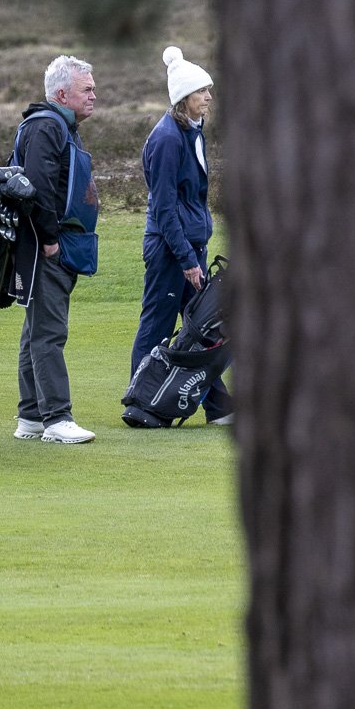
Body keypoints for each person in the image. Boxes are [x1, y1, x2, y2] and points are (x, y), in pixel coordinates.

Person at [130, 45, 233, 424]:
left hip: (191, 246)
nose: (209, 97)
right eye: (201, 92)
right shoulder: (167, 139)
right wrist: (187, 260)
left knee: (203, 327)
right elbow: (164, 207)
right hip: (170, 250)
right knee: (157, 323)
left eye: (208, 90)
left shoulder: (192, 131)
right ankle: (139, 402)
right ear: (183, 98)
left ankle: (217, 405)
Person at [11, 55, 100, 444]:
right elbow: (38, 187)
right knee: (49, 332)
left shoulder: (60, 126)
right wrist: (49, 239)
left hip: (56, 242)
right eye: (87, 89)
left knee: (36, 330)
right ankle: (56, 418)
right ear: (62, 93)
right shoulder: (48, 127)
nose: (94, 95)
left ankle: (31, 416)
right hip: (48, 245)